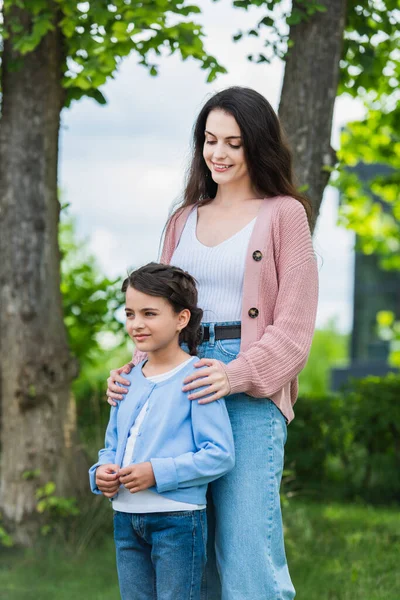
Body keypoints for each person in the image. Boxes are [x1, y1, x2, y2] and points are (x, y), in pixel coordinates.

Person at [106, 86, 319, 600]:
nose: (218, 154)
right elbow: (160, 308)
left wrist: (235, 373)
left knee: (248, 552)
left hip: (247, 390)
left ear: (258, 147)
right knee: (187, 548)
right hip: (178, 381)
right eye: (209, 140)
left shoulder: (284, 214)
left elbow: (294, 328)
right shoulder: (183, 218)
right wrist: (136, 370)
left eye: (234, 143)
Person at [90, 262, 235, 600]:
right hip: (125, 519)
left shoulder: (198, 377)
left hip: (177, 521)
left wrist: (157, 472)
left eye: (149, 313)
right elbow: (111, 446)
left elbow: (220, 455)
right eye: (129, 314)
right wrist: (101, 472)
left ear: (181, 319)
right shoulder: (126, 378)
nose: (137, 324)